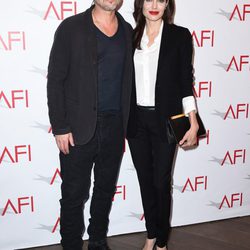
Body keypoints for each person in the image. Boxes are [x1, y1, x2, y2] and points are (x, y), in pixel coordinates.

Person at [47, 0, 133, 249]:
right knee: (74, 195)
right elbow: (55, 80)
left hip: (115, 126)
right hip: (77, 128)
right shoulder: (71, 28)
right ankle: (71, 244)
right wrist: (60, 126)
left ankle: (97, 240)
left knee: (105, 189)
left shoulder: (128, 31)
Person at [127, 0, 199, 249]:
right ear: (141, 4)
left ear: (167, 3)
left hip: (165, 121)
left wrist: (192, 120)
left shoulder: (179, 36)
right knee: (145, 182)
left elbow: (184, 80)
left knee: (160, 182)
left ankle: (162, 242)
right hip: (136, 122)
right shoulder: (130, 35)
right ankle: (151, 235)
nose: (154, 5)